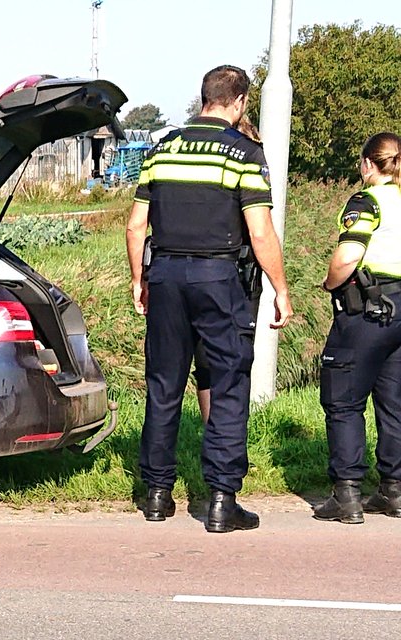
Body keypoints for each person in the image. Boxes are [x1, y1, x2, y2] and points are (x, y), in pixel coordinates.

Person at [126, 64, 293, 533]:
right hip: (219, 279)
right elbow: (259, 231)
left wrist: (140, 279)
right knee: (227, 384)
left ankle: (157, 494)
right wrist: (281, 289)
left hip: (165, 277)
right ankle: (221, 500)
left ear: (204, 98)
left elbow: (136, 225)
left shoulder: (163, 148)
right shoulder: (243, 152)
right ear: (239, 102)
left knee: (163, 386)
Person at [314, 132, 401, 524]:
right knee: (394, 403)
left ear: (368, 163)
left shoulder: (367, 201)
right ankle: (394, 491)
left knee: (343, 398)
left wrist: (330, 282)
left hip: (368, 309)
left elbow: (349, 254)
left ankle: (347, 494)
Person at [193, 115, 264, 424]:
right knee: (234, 360)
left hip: (197, 276)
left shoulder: (200, 171)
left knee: (207, 363)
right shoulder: (246, 168)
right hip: (238, 278)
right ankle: (230, 436)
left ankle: (215, 432)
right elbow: (259, 231)